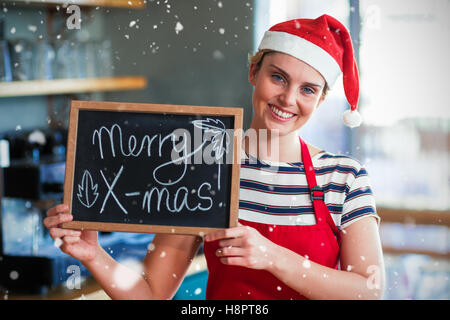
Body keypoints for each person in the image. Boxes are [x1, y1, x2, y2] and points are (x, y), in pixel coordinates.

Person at [44, 14, 385, 300]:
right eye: (277, 77)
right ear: (254, 73)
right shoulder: (206, 164)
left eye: (307, 89)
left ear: (321, 100)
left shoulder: (343, 177)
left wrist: (271, 256)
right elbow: (151, 292)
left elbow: (369, 291)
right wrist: (93, 256)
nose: (288, 99)